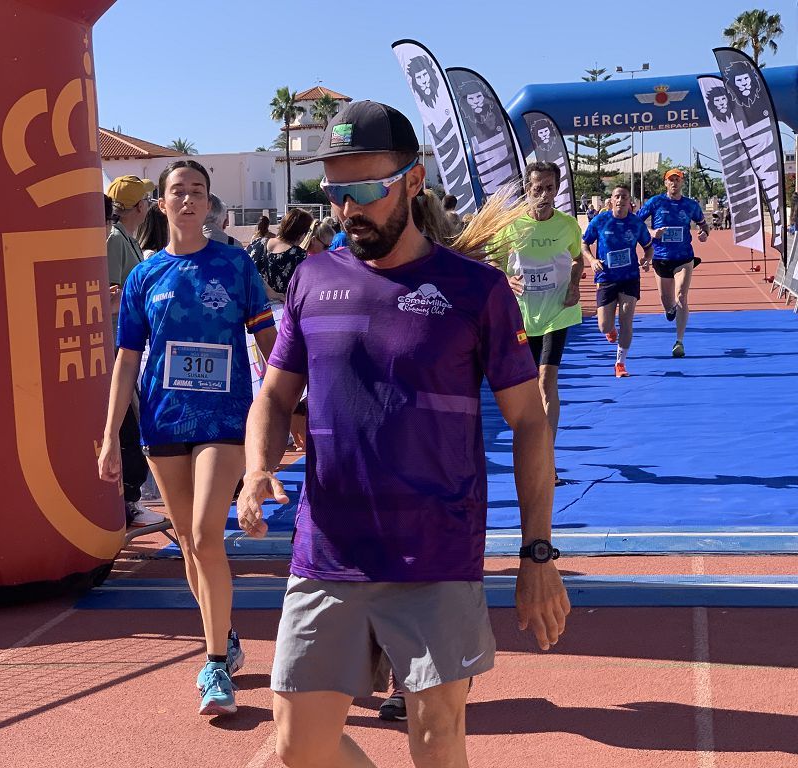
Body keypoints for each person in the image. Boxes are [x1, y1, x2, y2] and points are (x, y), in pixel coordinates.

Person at [238, 100, 569, 768]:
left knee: (437, 739)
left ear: (414, 182)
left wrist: (538, 552)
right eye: (336, 191)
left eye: (366, 189)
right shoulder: (312, 279)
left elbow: (529, 419)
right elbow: (274, 394)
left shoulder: (475, 291)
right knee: (299, 747)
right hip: (329, 548)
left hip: (436, 551)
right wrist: (255, 468)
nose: (348, 208)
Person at [98, 159, 277, 716]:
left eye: (198, 191)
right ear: (161, 203)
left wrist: (289, 408)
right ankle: (226, 639)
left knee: (204, 534)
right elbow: (127, 358)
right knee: (190, 547)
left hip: (224, 420)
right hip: (162, 420)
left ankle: (214, 664)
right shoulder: (145, 278)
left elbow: (269, 341)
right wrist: (109, 436)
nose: (188, 199)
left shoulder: (234, 263)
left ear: (208, 202)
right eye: (178, 191)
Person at [496, 161, 583, 480]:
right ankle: (531, 447)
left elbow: (577, 259)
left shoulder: (567, 225)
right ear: (527, 190)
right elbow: (494, 265)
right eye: (537, 189)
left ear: (557, 189)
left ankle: (547, 460)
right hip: (521, 316)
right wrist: (506, 280)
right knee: (528, 388)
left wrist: (574, 285)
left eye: (549, 188)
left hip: (557, 312)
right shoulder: (512, 226)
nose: (544, 195)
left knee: (547, 381)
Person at [103, 192, 165, 528]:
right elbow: (109, 293)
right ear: (138, 206)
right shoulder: (115, 240)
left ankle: (131, 499)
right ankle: (128, 502)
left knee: (132, 420)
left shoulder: (125, 239)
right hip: (116, 342)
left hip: (126, 341)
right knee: (127, 421)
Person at [582, 185, 654, 378]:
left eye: (624, 197)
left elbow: (648, 247)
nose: (620, 200)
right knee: (603, 326)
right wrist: (592, 260)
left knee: (626, 320)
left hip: (629, 277)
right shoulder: (600, 221)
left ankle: (620, 363)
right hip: (606, 277)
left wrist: (647, 259)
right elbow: (584, 244)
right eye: (617, 196)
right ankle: (610, 330)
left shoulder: (636, 223)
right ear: (611, 200)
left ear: (629, 201)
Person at [637, 168, 709, 358]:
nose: (674, 183)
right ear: (665, 183)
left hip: (684, 257)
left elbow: (703, 224)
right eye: (671, 180)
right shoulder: (655, 202)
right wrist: (652, 233)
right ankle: (669, 310)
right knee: (667, 301)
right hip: (661, 258)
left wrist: (704, 233)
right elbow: (636, 223)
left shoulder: (690, 205)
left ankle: (679, 341)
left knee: (681, 296)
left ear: (682, 183)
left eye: (678, 180)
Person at [252, 208, 313, 302]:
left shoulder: (255, 244)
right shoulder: (300, 256)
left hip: (253, 309)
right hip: (282, 311)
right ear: (302, 234)